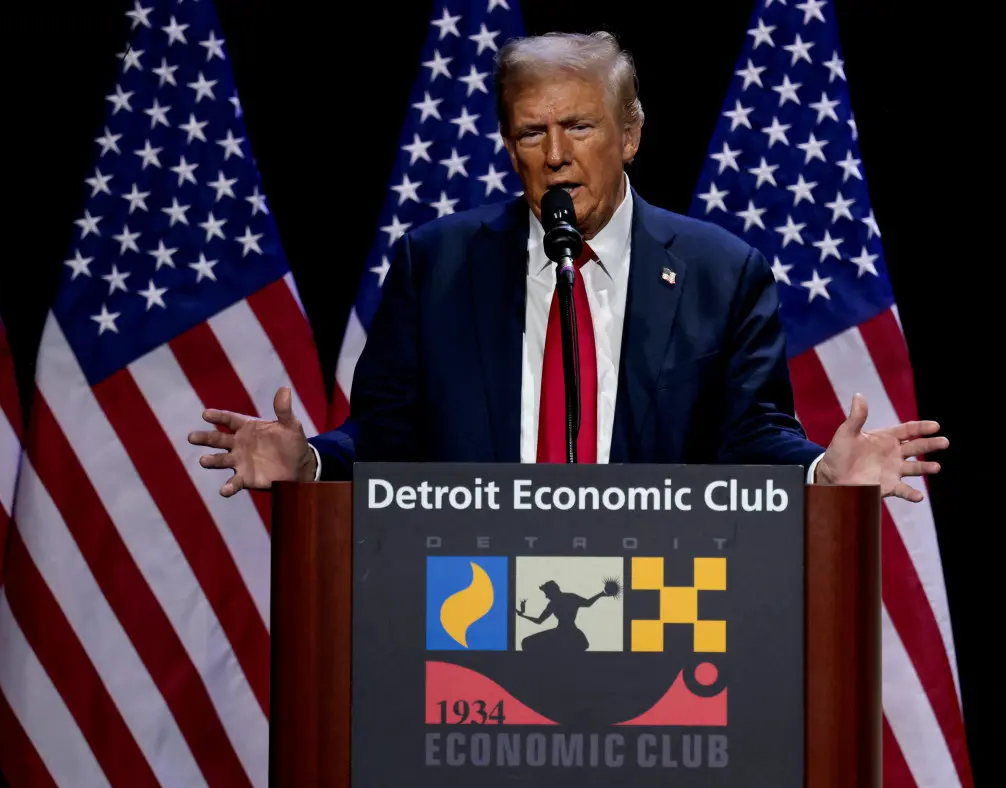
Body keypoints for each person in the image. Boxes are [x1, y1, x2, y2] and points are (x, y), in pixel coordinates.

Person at [187, 31, 946, 501]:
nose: (555, 156)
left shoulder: (722, 273)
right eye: (530, 133)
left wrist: (823, 473)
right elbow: (389, 442)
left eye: (580, 126)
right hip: (469, 604)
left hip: (658, 603)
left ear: (631, 135)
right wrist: (312, 462)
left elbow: (748, 441)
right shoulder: (436, 265)